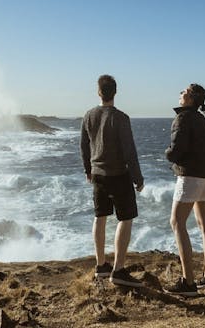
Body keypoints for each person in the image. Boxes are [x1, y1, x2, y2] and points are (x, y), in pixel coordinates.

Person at [80, 74, 145, 288]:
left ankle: (101, 265)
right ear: (115, 92)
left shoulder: (88, 115)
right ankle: (118, 269)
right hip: (118, 174)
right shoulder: (121, 118)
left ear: (99, 92)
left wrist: (88, 169)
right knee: (125, 219)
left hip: (97, 174)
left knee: (100, 217)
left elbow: (84, 145)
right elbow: (129, 151)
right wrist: (137, 178)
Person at [162, 83, 205, 297]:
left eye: (184, 91)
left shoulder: (183, 118)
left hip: (191, 175)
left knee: (176, 222)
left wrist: (167, 154)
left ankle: (188, 282)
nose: (180, 92)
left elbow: (176, 150)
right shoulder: (203, 121)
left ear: (192, 98)